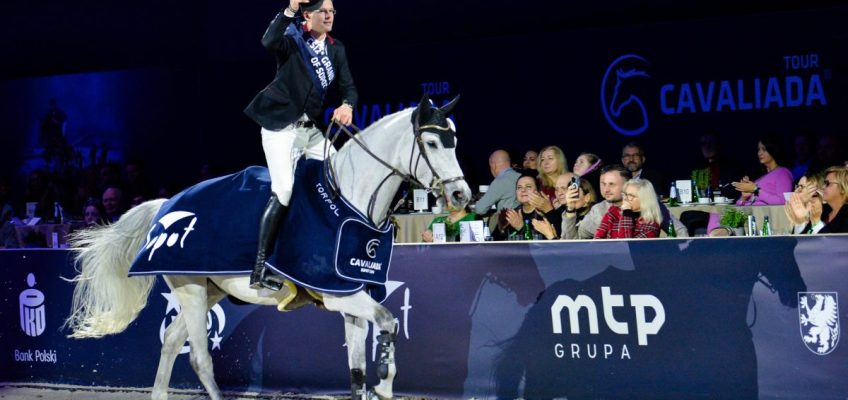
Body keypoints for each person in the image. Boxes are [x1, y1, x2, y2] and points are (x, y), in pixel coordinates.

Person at [244, 0, 358, 289]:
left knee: (341, 176)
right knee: (283, 188)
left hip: (313, 132)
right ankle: (259, 268)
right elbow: (268, 41)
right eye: (324, 11)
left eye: (333, 11)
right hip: (281, 128)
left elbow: (349, 87)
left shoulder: (337, 48)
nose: (330, 15)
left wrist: (347, 104)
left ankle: (335, 250)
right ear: (308, 15)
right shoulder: (293, 37)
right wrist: (290, 8)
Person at [563, 165, 686, 239]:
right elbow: (573, 240)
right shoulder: (599, 210)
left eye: (612, 184)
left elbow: (680, 232)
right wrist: (570, 210)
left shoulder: (648, 204)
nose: (606, 189)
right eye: (603, 184)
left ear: (627, 184)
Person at [732, 134, 793, 206]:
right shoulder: (760, 178)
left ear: (773, 150)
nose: (759, 153)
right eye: (758, 149)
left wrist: (756, 190)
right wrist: (744, 197)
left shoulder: (783, 173)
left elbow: (783, 202)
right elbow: (738, 207)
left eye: (764, 149)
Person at [533, 175, 597, 240]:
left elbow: (572, 246)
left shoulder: (594, 216)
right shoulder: (565, 213)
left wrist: (550, 235)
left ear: (587, 197)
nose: (570, 197)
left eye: (575, 194)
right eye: (570, 193)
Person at [594, 178, 662, 239]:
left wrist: (627, 214)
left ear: (644, 200)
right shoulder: (613, 212)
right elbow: (597, 239)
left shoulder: (651, 226)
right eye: (625, 194)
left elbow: (627, 246)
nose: (625, 198)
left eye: (631, 195)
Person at [791, 166, 848, 234]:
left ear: (843, 188)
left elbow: (837, 243)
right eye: (824, 183)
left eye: (827, 183)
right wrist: (802, 219)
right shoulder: (823, 210)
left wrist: (816, 222)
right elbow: (805, 239)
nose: (823, 187)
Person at [494, 174, 546, 240]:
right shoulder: (511, 214)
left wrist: (521, 227)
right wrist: (502, 229)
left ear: (538, 191)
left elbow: (545, 245)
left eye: (528, 186)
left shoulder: (545, 214)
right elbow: (494, 243)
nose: (523, 190)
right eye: (519, 187)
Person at [474, 150, 520, 215]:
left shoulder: (500, 180)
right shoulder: (520, 176)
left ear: (494, 165)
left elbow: (480, 209)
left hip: (507, 221)